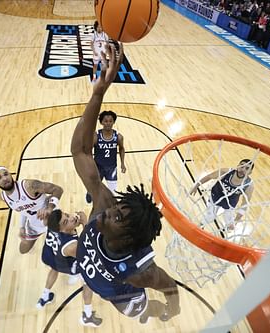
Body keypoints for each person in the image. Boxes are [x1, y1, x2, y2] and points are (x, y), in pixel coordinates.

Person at [70, 42, 180, 324]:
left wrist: (172, 308)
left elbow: (169, 286)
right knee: (68, 250)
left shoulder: (140, 271)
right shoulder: (103, 206)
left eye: (117, 215)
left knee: (140, 313)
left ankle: (147, 312)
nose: (109, 209)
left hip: (121, 297)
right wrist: (98, 95)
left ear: (129, 239)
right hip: (91, 268)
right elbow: (81, 151)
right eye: (118, 208)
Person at [37, 210, 103, 327]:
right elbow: (89, 251)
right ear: (61, 230)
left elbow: (47, 220)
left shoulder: (53, 222)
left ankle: (45, 296)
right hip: (69, 264)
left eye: (67, 215)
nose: (72, 218)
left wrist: (46, 213)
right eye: (66, 221)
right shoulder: (71, 246)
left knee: (54, 268)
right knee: (88, 282)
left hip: (52, 254)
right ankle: (87, 316)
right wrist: (85, 223)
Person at [0, 166, 63, 254]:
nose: (5, 178)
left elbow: (58, 189)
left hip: (51, 218)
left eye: (6, 174)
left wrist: (49, 208)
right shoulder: (4, 198)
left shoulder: (29, 186)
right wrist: (22, 227)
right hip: (34, 224)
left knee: (63, 251)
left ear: (10, 174)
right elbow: (23, 210)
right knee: (23, 250)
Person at [189, 159, 255, 231]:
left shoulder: (249, 185)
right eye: (242, 166)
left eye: (247, 168)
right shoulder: (226, 172)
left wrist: (236, 220)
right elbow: (209, 176)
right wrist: (196, 186)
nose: (243, 169)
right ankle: (200, 226)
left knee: (230, 222)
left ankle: (227, 231)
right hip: (216, 196)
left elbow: (245, 204)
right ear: (238, 166)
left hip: (230, 202)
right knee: (210, 216)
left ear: (250, 172)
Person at [85, 110, 126, 203]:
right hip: (98, 167)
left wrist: (122, 163)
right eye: (106, 121)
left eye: (110, 121)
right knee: (94, 189)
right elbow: (88, 151)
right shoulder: (96, 136)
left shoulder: (118, 137)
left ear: (114, 122)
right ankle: (89, 191)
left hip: (112, 168)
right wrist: (90, 164)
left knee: (113, 193)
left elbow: (122, 149)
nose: (108, 123)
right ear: (101, 122)